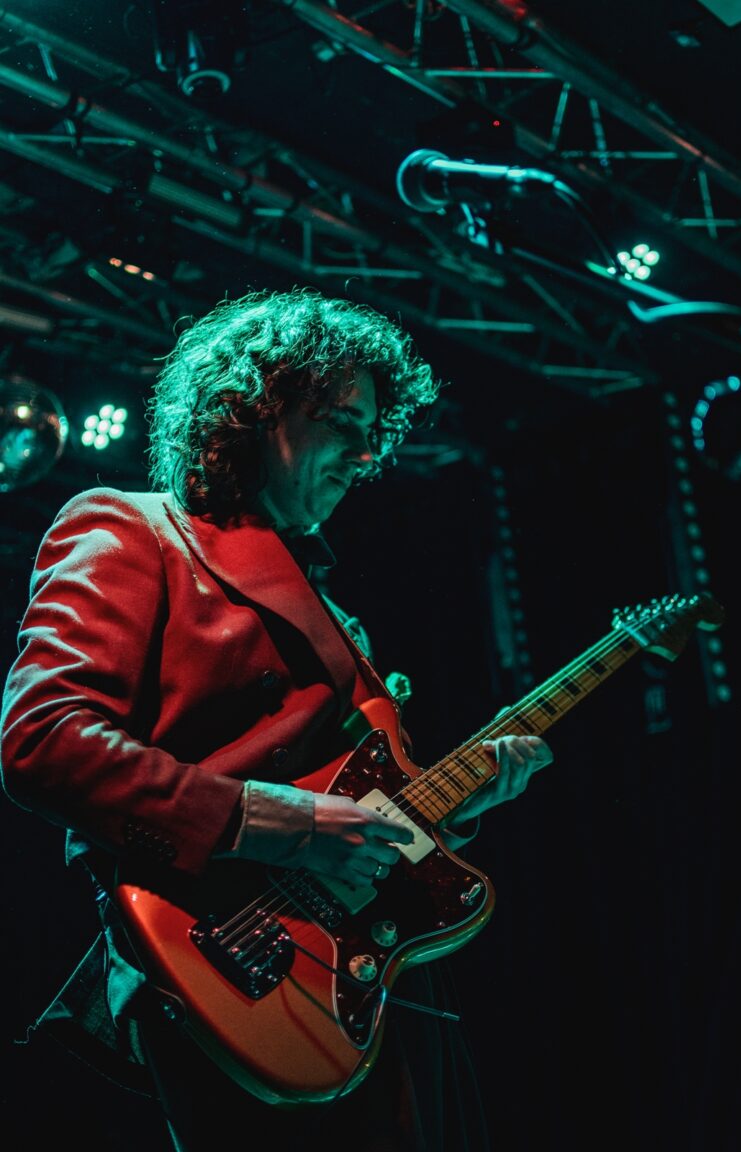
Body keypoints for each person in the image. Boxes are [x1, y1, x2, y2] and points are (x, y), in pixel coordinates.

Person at [0, 286, 553, 1152]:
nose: (365, 455)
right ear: (255, 410)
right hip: (232, 965)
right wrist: (284, 825)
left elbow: (351, 808)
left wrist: (448, 811)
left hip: (360, 984)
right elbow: (44, 741)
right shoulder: (132, 529)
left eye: (374, 432)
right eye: (343, 423)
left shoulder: (334, 614)